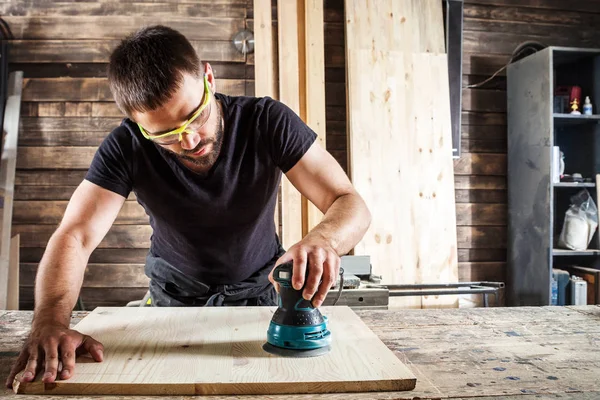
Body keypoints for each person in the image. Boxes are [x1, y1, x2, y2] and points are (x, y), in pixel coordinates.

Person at [6, 25, 371, 388]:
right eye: (165, 135)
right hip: (172, 300)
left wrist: (324, 239)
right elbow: (75, 235)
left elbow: (348, 201)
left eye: (196, 114)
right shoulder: (126, 145)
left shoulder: (267, 121)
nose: (190, 139)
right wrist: (50, 321)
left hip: (260, 296)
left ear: (208, 77)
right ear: (139, 124)